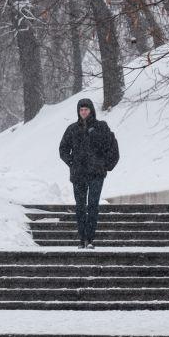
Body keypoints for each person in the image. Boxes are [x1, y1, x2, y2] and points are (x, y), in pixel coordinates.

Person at [57, 97, 120, 248]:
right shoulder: (72, 129)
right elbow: (63, 149)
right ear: (78, 111)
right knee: (80, 206)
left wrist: (106, 165)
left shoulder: (101, 127)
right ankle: (81, 239)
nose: (83, 112)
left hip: (96, 173)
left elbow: (113, 148)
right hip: (78, 174)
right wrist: (71, 162)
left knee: (92, 205)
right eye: (81, 110)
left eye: (86, 109)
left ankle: (90, 239)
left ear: (91, 110)